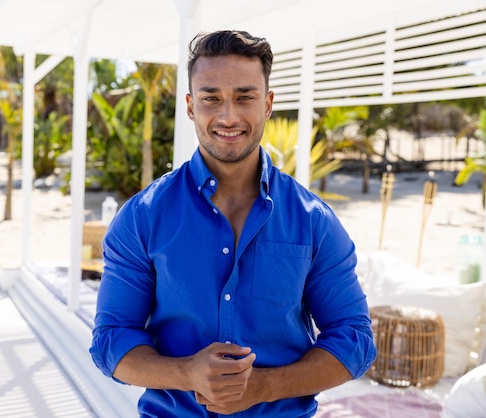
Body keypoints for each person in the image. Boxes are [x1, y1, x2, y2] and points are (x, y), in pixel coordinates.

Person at [90, 30, 376, 417]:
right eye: (211, 99)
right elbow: (111, 340)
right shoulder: (142, 217)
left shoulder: (314, 222)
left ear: (268, 104)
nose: (228, 116)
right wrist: (187, 374)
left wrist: (264, 386)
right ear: (191, 106)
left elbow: (355, 340)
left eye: (245, 97)